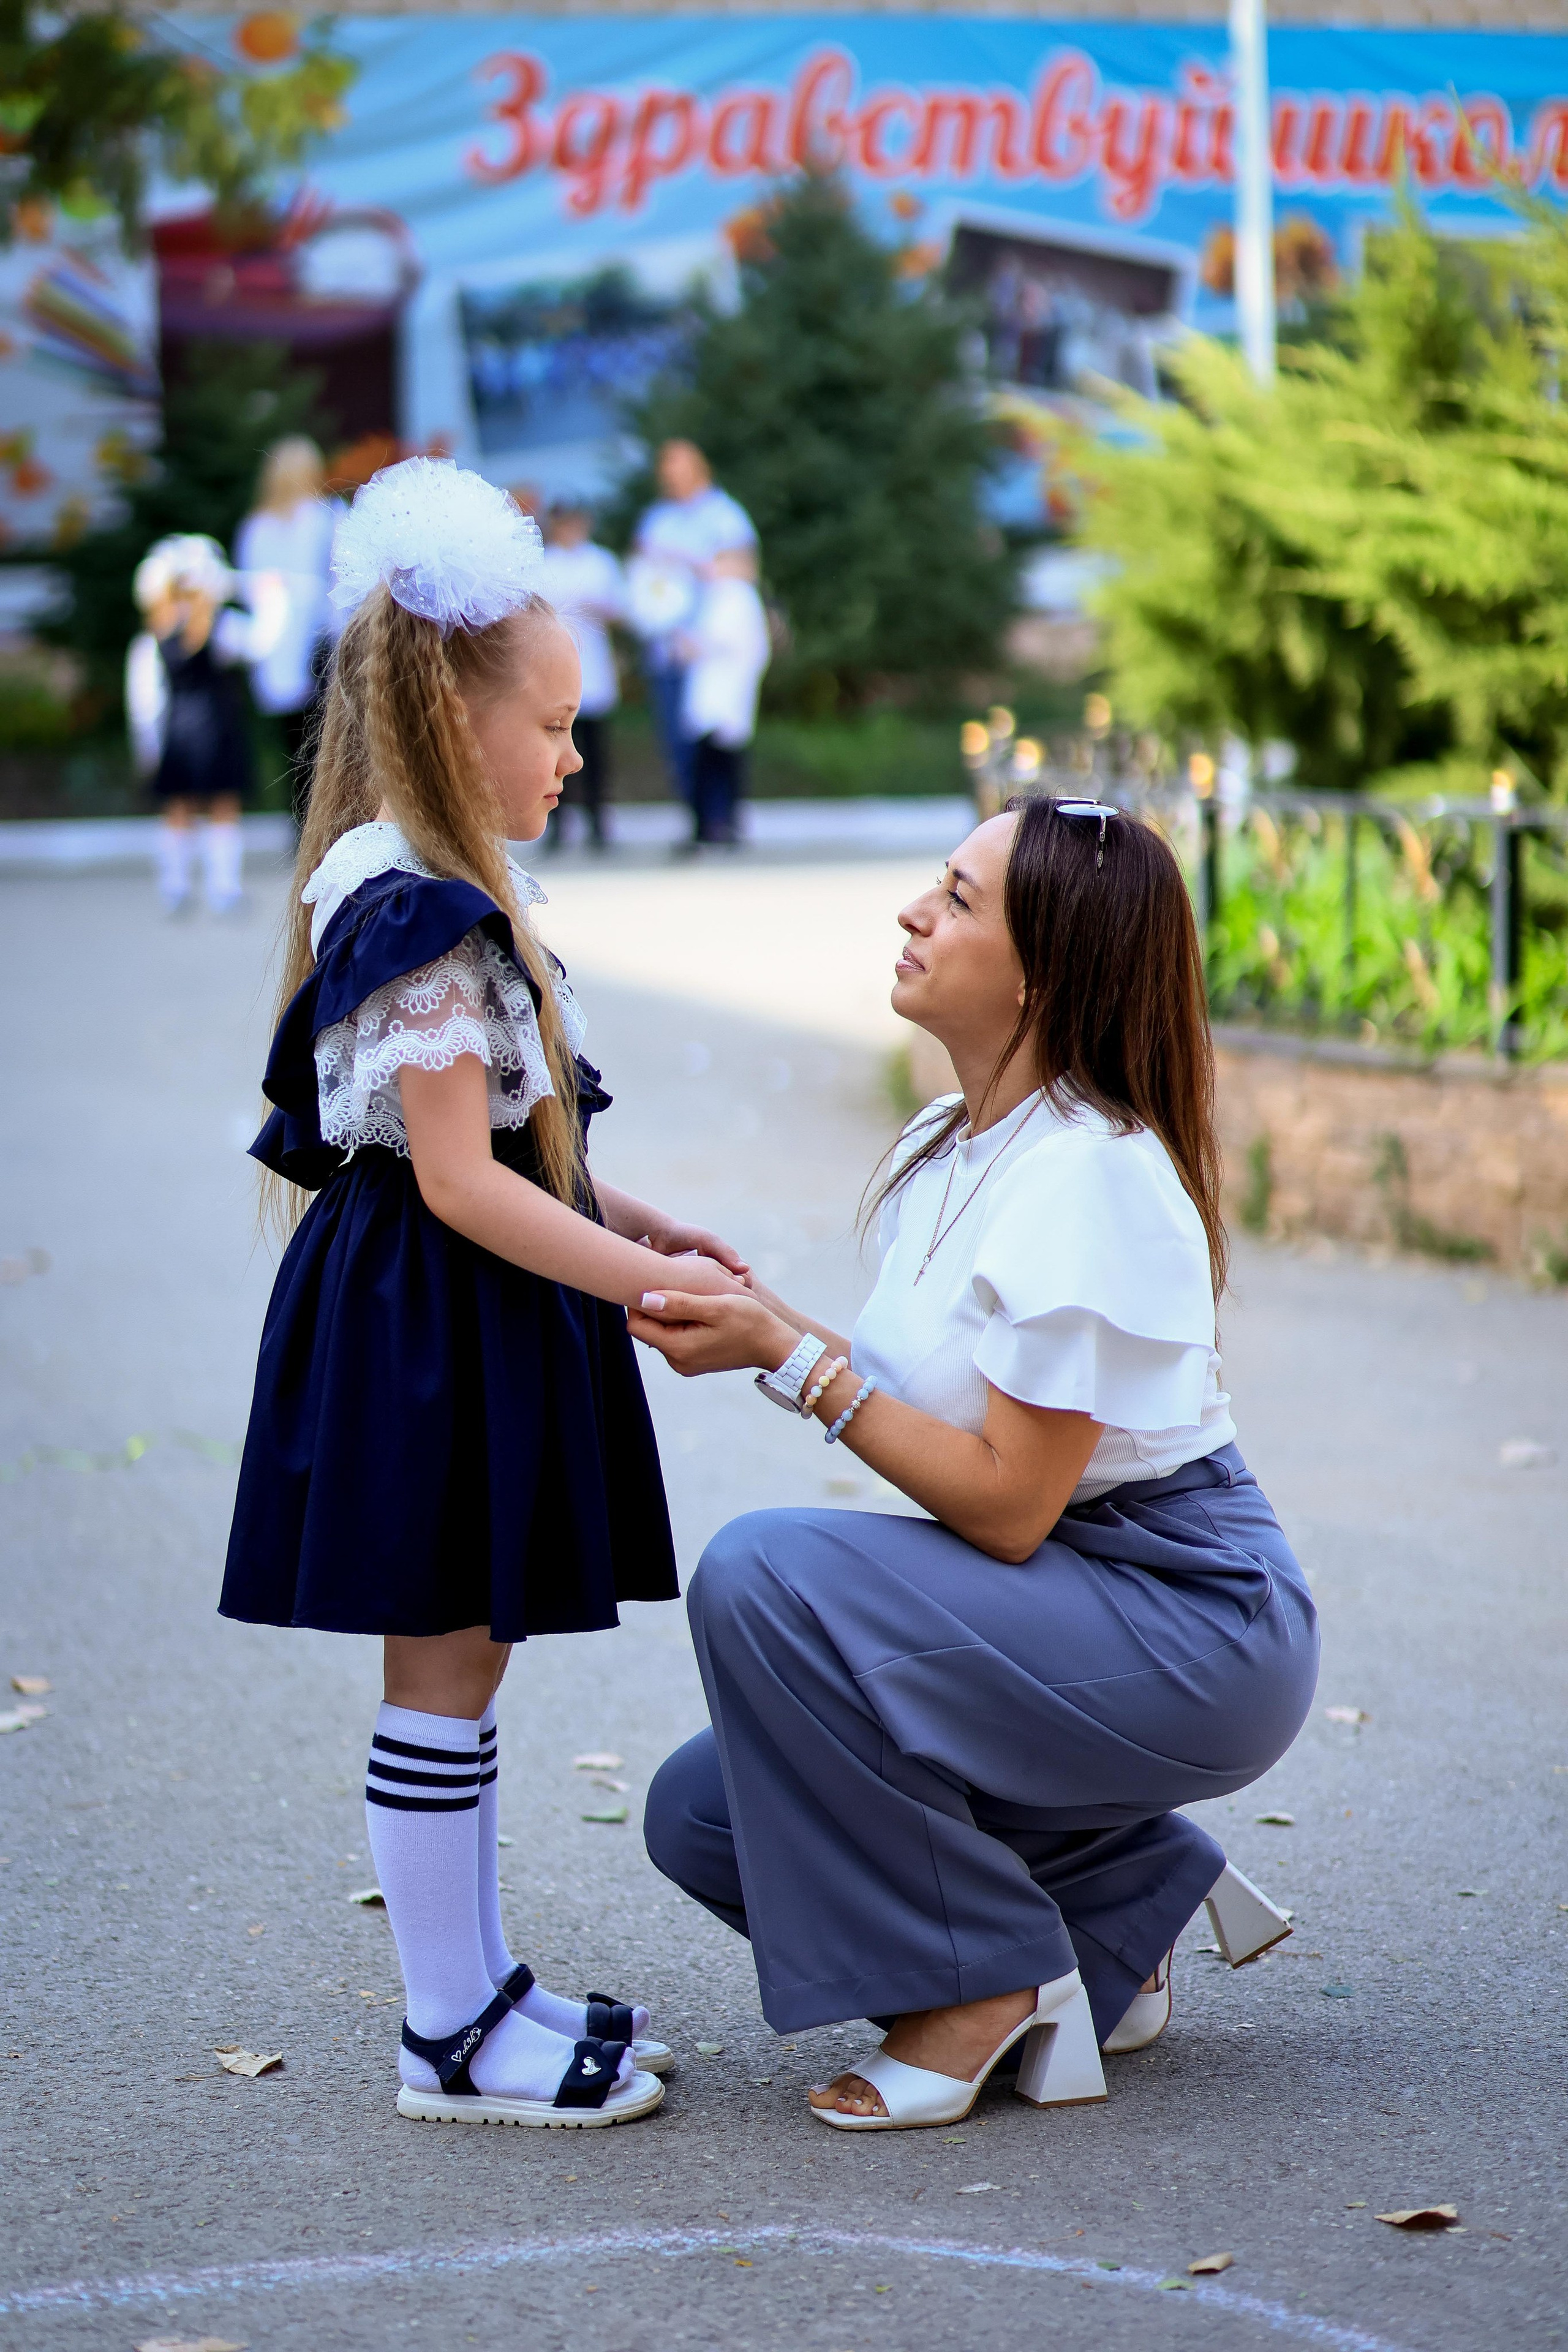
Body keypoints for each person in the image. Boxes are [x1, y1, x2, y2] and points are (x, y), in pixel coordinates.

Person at [636, 794, 1319, 2132]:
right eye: (933, 886)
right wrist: (759, 1321)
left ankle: (980, 1988)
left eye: (956, 900)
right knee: (702, 1814)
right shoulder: (947, 1144)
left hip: (1187, 1612)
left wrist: (789, 1359)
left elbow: (1008, 1504)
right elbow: (939, 1411)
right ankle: (1120, 1909)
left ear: (1046, 972)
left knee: (758, 1575)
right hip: (1073, 1585)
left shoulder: (1095, 1173)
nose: (911, 912)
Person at [219, 458, 750, 2129]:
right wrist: (638, 1281)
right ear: (458, 723)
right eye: (558, 727)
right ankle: (448, 2030)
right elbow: (459, 1187)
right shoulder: (418, 912)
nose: (576, 757)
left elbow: (528, 1164)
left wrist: (653, 1234)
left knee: (470, 1655)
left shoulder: (436, 888)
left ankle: (477, 1990)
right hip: (426, 1325)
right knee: (444, 1663)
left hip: (454, 1308)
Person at [126, 533, 285, 916]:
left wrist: (147, 747)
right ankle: (222, 889)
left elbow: (144, 700)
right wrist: (269, 596)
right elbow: (264, 641)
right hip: (218, 728)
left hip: (178, 733)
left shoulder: (156, 635)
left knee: (178, 809)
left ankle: (176, 888)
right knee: (223, 808)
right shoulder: (220, 627)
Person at [629, 439, 755, 809]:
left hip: (708, 649)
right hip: (667, 645)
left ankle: (723, 819)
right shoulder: (657, 519)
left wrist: (687, 561)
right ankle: (697, 821)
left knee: (717, 738)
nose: (671, 481)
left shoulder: (725, 515)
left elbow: (744, 569)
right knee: (676, 741)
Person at [234, 437, 341, 821]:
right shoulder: (325, 518)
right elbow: (339, 586)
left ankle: (301, 830)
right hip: (319, 646)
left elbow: (249, 589)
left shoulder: (256, 528)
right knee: (325, 746)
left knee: (293, 750)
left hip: (278, 644)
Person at [538, 499, 624, 850]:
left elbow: (621, 607)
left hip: (593, 665)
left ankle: (598, 820)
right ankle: (557, 822)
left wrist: (598, 606)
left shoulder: (600, 562)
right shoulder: (544, 564)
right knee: (555, 746)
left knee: (594, 749)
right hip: (555, 666)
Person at [677, 545, 770, 848]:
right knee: (713, 762)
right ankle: (713, 825)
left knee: (718, 763)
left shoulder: (737, 595)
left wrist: (693, 645)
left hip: (724, 693)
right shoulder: (718, 595)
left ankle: (717, 825)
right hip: (714, 692)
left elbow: (723, 639)